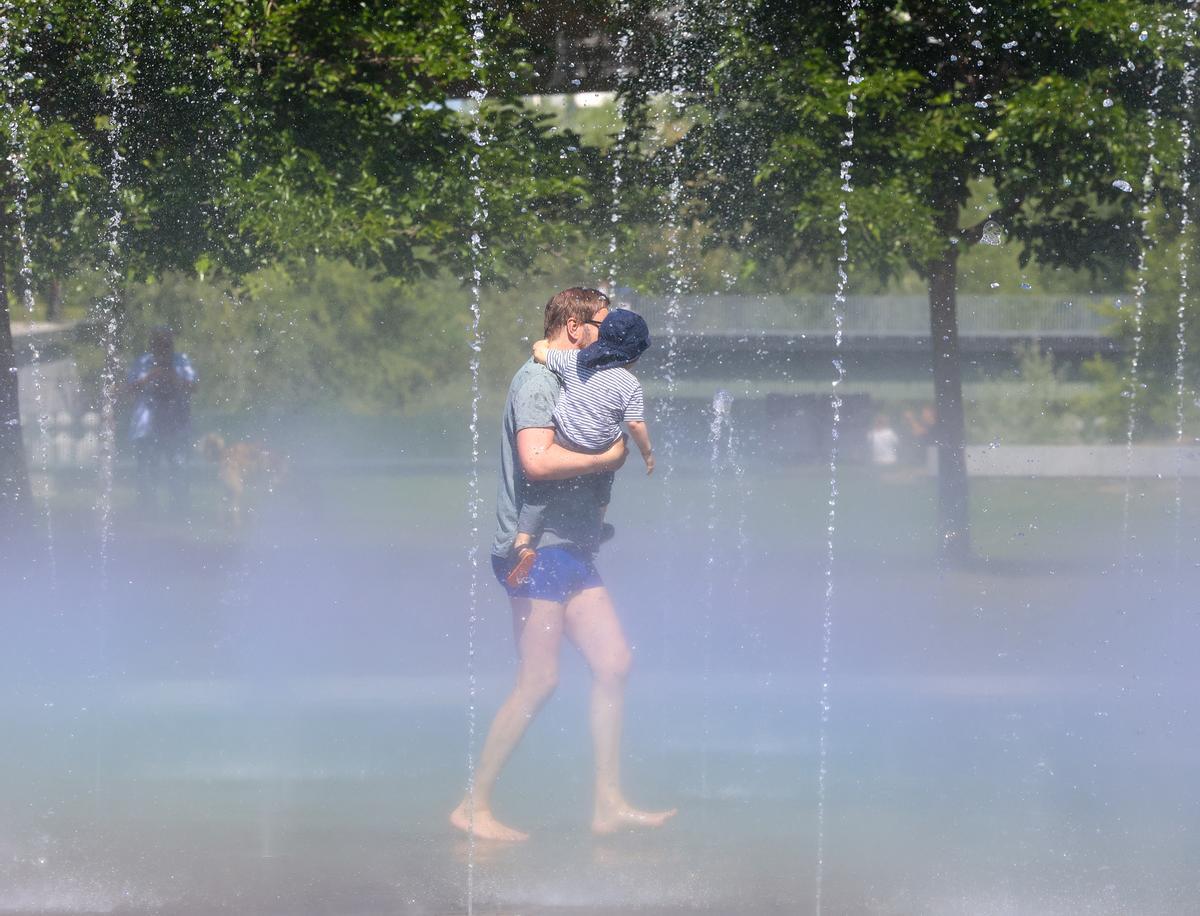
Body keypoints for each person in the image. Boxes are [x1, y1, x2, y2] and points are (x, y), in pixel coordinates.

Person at [449, 287, 676, 841]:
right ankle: (473, 805)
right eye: (603, 322)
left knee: (615, 662)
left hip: (569, 547)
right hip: (534, 549)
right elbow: (537, 460)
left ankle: (607, 803)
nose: (611, 331)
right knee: (540, 680)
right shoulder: (537, 382)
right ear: (574, 326)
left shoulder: (582, 374)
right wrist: (608, 456)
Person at [506, 308, 655, 587]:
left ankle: (523, 544)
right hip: (599, 445)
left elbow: (541, 353)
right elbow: (635, 425)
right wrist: (647, 453)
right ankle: (596, 529)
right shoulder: (630, 384)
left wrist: (541, 345)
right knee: (603, 483)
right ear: (635, 355)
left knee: (538, 496)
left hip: (566, 439)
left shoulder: (575, 362)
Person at [126, 326, 197, 513]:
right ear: (152, 344)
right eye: (158, 342)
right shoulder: (143, 362)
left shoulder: (181, 361)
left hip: (176, 423)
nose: (163, 346)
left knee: (178, 467)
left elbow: (193, 387)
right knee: (147, 469)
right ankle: (147, 508)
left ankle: (179, 507)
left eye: (166, 342)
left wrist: (174, 377)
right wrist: (150, 377)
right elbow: (130, 388)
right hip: (147, 425)